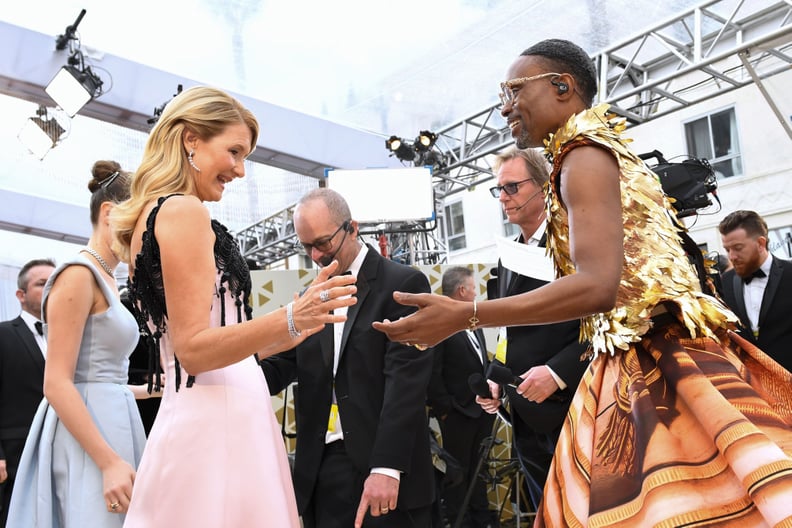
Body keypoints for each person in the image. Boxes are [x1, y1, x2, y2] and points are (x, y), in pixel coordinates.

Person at [374, 39, 792, 526]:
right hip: (640, 358)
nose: (505, 106)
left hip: (653, 365)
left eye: (513, 90)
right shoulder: (593, 153)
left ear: (562, 87)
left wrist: (463, 315)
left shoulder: (583, 156)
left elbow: (597, 286)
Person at [110, 86, 357, 527]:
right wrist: (288, 317)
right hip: (219, 420)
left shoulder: (151, 217)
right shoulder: (183, 211)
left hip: (204, 410)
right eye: (234, 151)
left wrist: (299, 320)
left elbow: (216, 346)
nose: (241, 170)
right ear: (191, 140)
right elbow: (195, 351)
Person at [260, 187, 435, 528]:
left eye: (322, 243)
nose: (315, 256)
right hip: (322, 470)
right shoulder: (313, 296)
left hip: (382, 466)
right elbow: (283, 367)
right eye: (306, 246)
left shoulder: (402, 284)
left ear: (352, 228)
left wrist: (386, 468)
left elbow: (406, 385)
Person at [6, 161, 153, 527]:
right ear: (109, 213)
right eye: (140, 223)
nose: (146, 236)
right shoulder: (78, 274)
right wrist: (108, 461)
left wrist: (144, 390)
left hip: (114, 422)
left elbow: (98, 376)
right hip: (89, 437)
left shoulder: (106, 278)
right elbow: (57, 383)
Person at [477, 147, 588, 511]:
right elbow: (513, 332)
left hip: (575, 406)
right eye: (499, 190)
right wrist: (496, 377)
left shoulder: (574, 239)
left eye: (512, 187)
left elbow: (607, 321)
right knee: (549, 512)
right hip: (525, 413)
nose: (504, 198)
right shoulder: (508, 254)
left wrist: (558, 373)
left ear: (543, 187)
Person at [427, 266, 493, 528]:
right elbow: (433, 373)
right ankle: (460, 522)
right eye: (474, 287)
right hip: (457, 415)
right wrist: (447, 409)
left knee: (480, 470)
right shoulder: (440, 325)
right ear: (462, 291)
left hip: (482, 412)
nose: (477, 292)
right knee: (458, 473)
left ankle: (482, 519)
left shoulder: (473, 323)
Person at [0, 259, 54, 527]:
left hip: (59, 447)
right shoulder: (3, 334)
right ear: (20, 295)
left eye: (55, 283)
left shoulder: (72, 337)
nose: (51, 290)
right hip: (14, 453)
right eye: (42, 284)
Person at [718, 210, 792, 372]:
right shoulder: (727, 281)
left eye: (738, 248)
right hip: (753, 384)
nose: (732, 256)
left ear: (760, 243)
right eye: (727, 249)